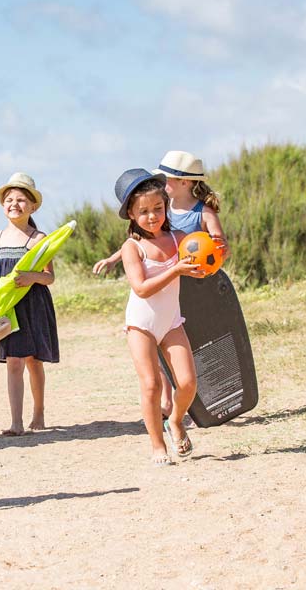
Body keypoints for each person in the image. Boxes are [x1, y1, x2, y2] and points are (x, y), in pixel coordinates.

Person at [94, 151, 228, 418]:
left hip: (191, 282)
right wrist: (113, 258)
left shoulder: (199, 211)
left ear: (185, 182)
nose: (163, 183)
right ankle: (167, 402)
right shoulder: (162, 210)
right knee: (156, 355)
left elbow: (217, 244)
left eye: (168, 178)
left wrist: (214, 254)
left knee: (190, 346)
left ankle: (197, 401)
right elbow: (141, 242)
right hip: (166, 284)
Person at [113, 169, 203, 466]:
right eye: (143, 211)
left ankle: (175, 421)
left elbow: (203, 257)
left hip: (171, 321)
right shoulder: (132, 247)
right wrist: (175, 270)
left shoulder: (179, 238)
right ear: (130, 214)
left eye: (158, 208)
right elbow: (140, 288)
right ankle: (157, 446)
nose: (152, 216)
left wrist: (215, 254)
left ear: (165, 206)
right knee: (151, 385)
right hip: (142, 324)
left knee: (188, 383)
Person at [0, 173, 59, 436]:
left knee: (34, 361)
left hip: (34, 305)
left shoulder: (40, 238)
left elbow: (50, 277)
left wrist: (31, 278)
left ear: (33, 206)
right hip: (7, 307)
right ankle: (16, 422)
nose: (15, 204)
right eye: (10, 199)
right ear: (3, 205)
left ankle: (39, 413)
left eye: (22, 200)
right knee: (14, 361)